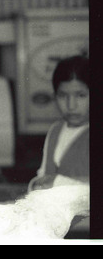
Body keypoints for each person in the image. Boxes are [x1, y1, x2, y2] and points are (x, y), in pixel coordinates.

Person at [28, 55, 89, 191]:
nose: (71, 105)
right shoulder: (55, 130)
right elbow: (43, 174)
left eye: (81, 95)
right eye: (63, 96)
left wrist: (58, 183)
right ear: (54, 96)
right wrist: (36, 184)